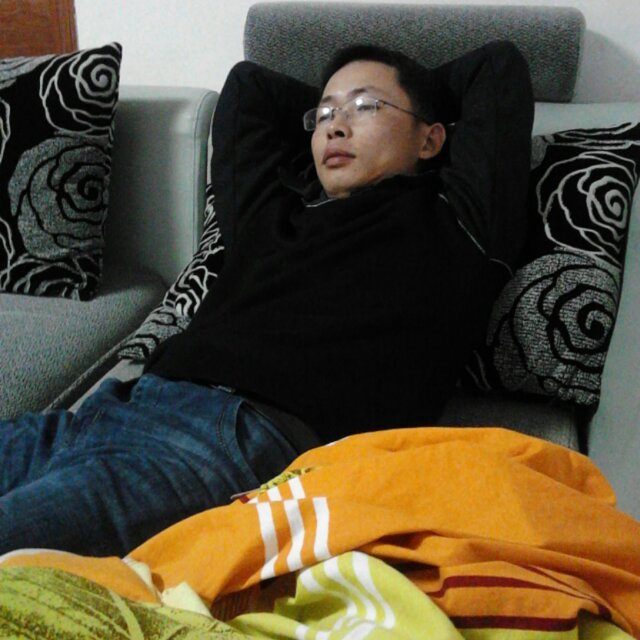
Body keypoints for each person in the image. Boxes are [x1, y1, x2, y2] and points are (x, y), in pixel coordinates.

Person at [0, 41, 533, 557]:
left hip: (234, 438)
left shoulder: (457, 225)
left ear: (431, 140)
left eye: (365, 107)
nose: (336, 126)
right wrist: (361, 105)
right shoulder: (270, 219)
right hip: (114, 408)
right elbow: (248, 86)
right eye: (324, 114)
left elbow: (498, 66)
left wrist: (418, 92)